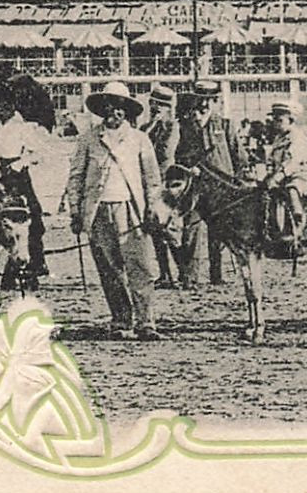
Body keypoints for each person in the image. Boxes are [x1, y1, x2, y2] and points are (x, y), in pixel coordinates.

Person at [65, 82, 169, 340]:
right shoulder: (88, 138)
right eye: (110, 106)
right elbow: (76, 176)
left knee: (139, 266)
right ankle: (121, 320)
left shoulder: (139, 139)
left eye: (120, 107)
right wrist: (76, 212)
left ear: (127, 111)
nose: (115, 112)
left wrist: (151, 209)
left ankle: (146, 322)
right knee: (110, 269)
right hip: (98, 211)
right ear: (102, 109)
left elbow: (152, 180)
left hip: (131, 209)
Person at [0, 77, 48, 288]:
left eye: (4, 104)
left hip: (17, 179)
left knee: (27, 221)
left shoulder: (23, 128)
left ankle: (30, 270)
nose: (0, 109)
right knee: (1, 224)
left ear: (11, 105)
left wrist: (19, 163)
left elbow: (39, 154)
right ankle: (6, 272)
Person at [173, 80, 238, 286]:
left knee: (219, 233)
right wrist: (187, 168)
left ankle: (216, 275)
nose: (205, 104)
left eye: (210, 100)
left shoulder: (225, 125)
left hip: (222, 188)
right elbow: (179, 156)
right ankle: (189, 276)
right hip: (197, 189)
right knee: (191, 229)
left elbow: (238, 156)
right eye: (201, 100)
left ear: (216, 101)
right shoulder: (186, 127)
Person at [142, 84, 181, 289]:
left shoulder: (173, 128)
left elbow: (165, 155)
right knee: (155, 232)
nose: (156, 110)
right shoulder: (146, 128)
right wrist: (149, 127)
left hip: (166, 184)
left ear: (168, 108)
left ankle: (182, 272)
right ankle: (165, 274)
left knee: (169, 230)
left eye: (161, 106)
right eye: (153, 105)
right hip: (149, 185)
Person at [263, 100, 307, 252]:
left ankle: (300, 224)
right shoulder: (279, 137)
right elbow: (273, 159)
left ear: (291, 120)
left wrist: (277, 177)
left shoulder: (297, 137)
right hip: (281, 174)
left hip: (300, 173)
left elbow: (292, 162)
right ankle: (273, 229)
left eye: (280, 120)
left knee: (292, 190)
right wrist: (269, 174)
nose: (276, 123)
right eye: (275, 120)